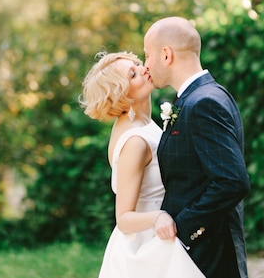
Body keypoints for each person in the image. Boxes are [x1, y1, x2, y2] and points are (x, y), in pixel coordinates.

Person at [80, 51, 205, 278]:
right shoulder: (135, 141)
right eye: (133, 74)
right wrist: (159, 217)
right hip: (146, 245)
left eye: (138, 64)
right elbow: (124, 218)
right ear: (122, 93)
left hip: (161, 236)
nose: (144, 69)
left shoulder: (144, 123)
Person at [143, 16, 251, 278]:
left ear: (166, 55)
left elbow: (232, 181)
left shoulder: (204, 103)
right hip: (197, 252)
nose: (146, 64)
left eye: (147, 55)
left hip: (209, 254)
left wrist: (184, 229)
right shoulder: (201, 97)